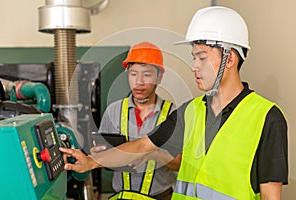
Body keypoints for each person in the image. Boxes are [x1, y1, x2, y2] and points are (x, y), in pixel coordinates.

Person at [60, 6, 288, 200]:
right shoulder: (190, 111)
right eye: (193, 57)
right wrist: (90, 162)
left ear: (229, 59)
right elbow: (141, 146)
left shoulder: (267, 117)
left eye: (202, 57)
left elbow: (270, 194)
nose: (194, 66)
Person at [94, 41, 180, 200]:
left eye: (147, 75)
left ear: (159, 77)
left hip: (161, 196)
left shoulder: (173, 114)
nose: (139, 82)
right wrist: (97, 156)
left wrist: (155, 154)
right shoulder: (113, 111)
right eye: (133, 74)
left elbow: (179, 164)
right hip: (121, 196)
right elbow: (104, 155)